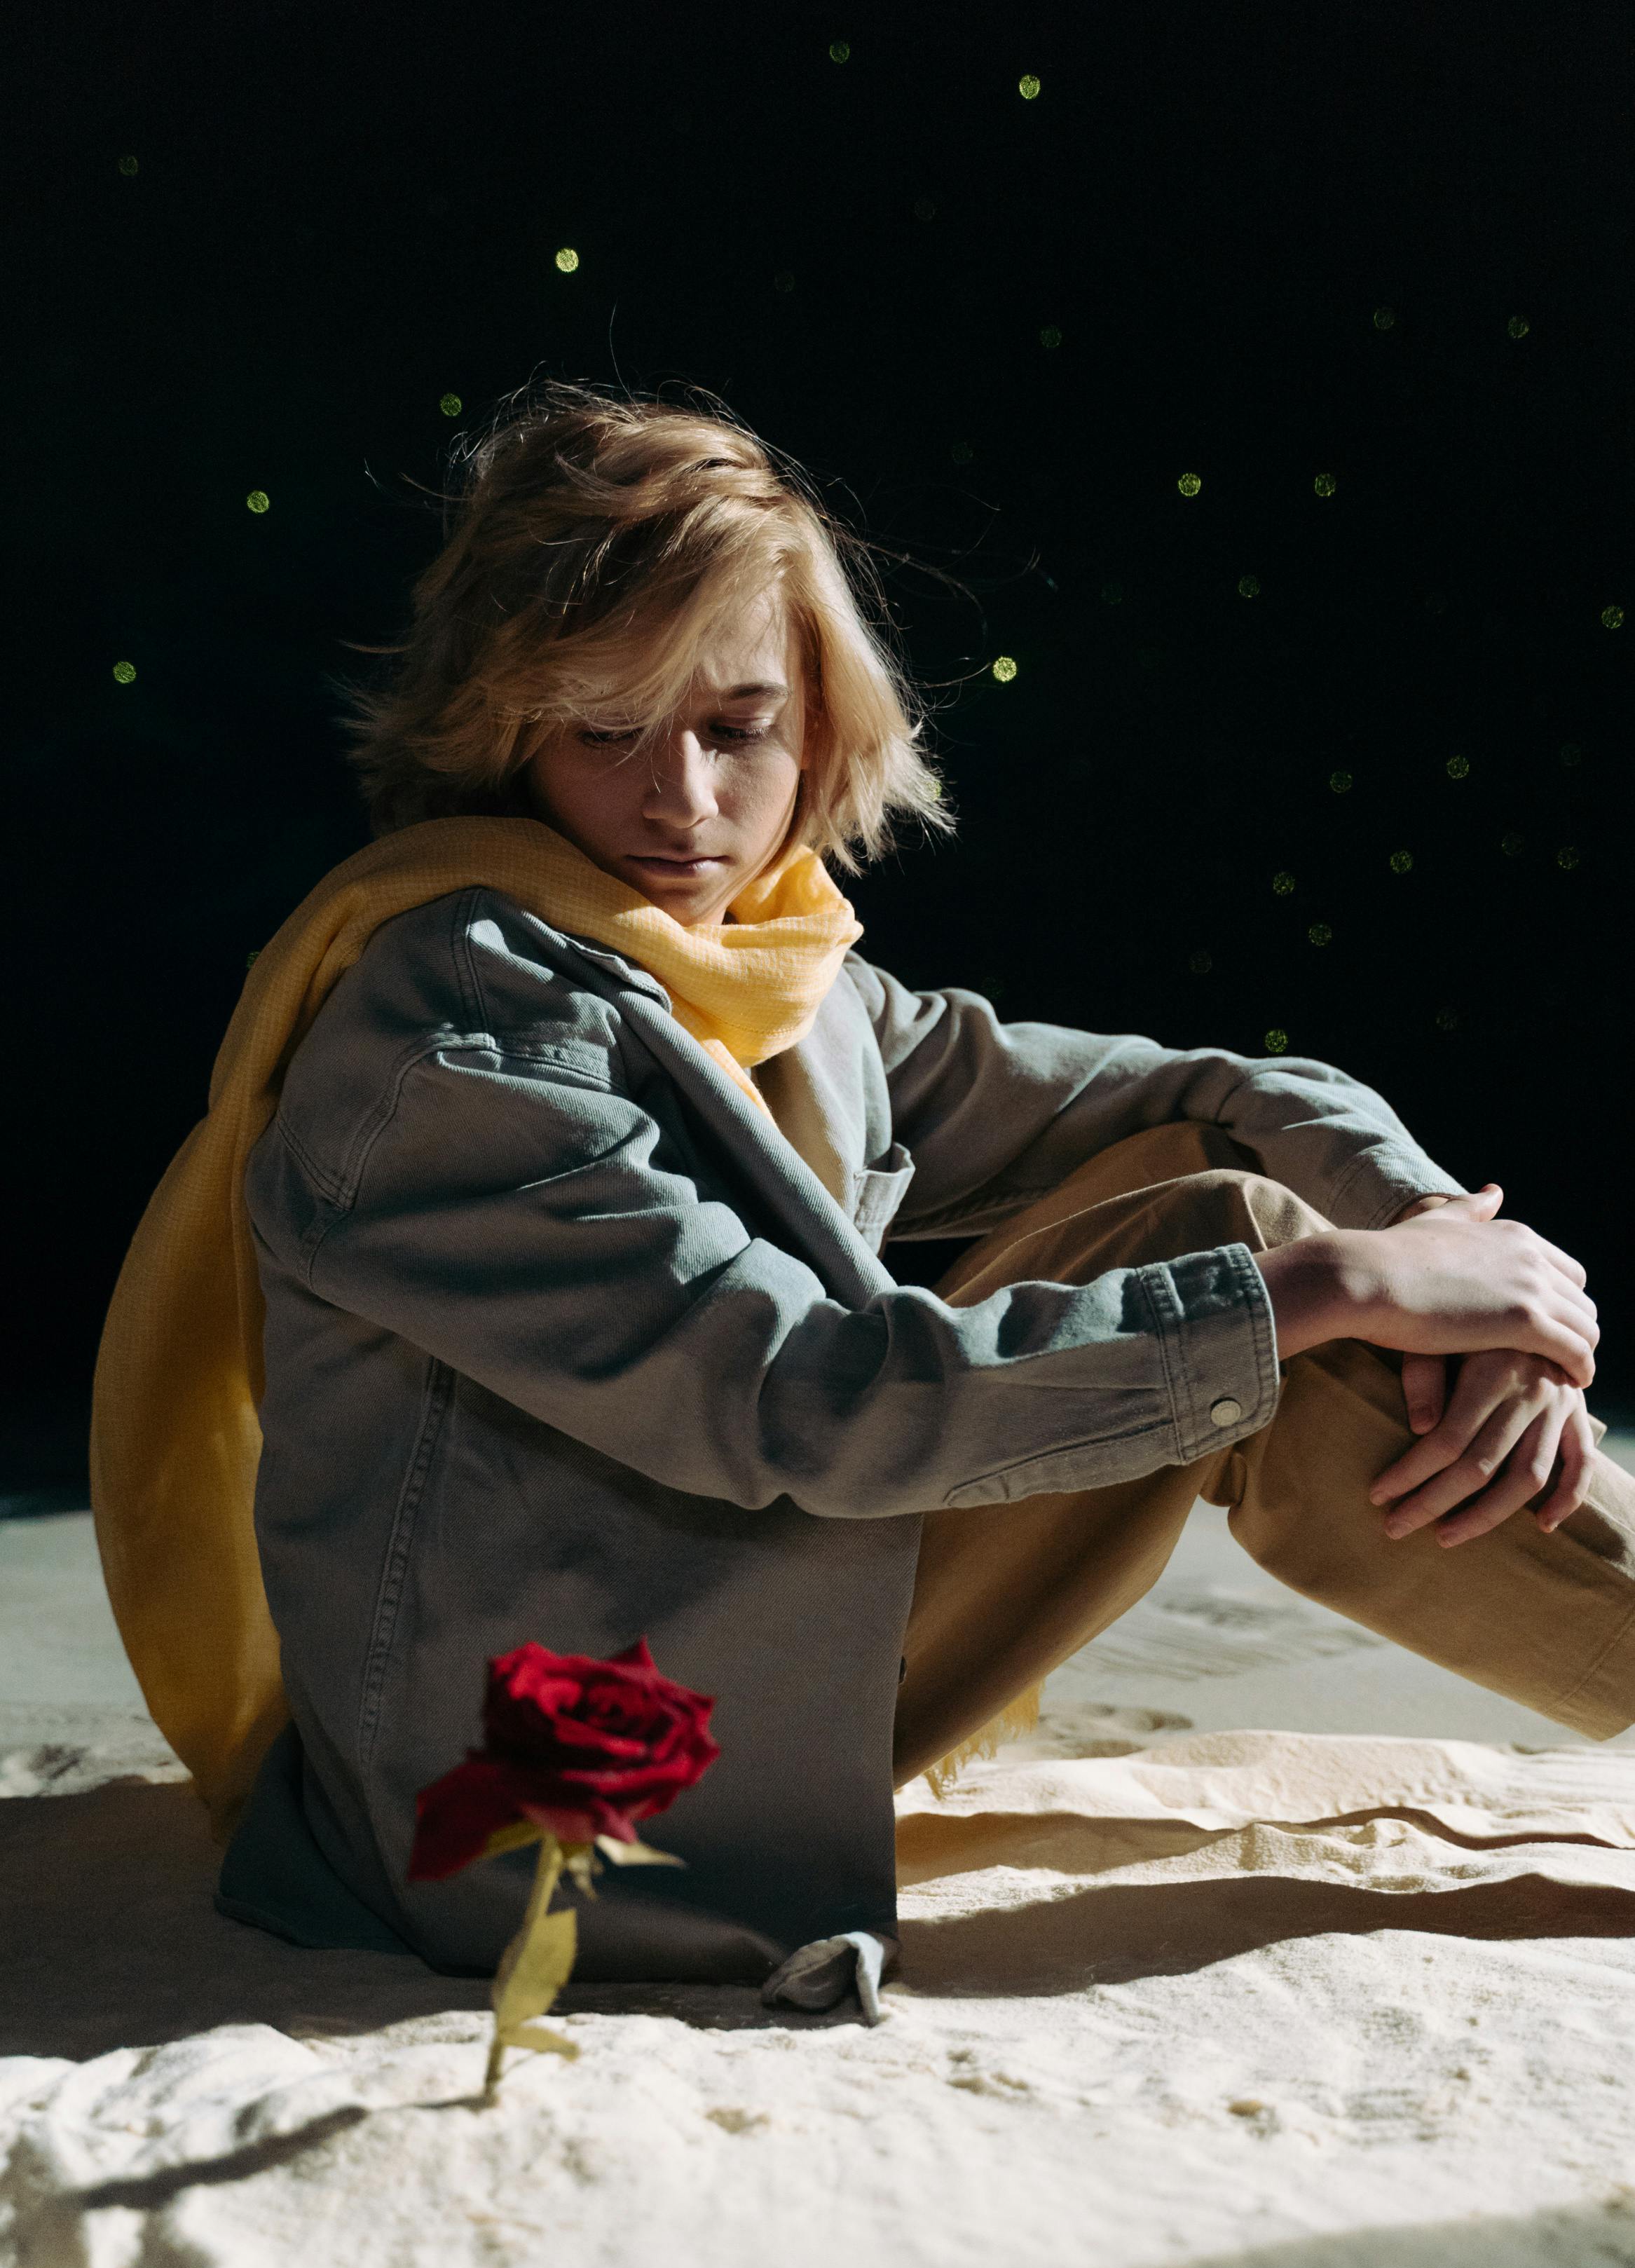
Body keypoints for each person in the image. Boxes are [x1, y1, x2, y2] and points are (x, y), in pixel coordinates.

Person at [92, 383, 1635, 1992]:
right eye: (607, 728)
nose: (683, 801)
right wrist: (1342, 1285)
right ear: (505, 727)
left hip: (732, 1631)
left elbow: (1211, 1091)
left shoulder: (767, 975)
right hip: (546, 1788)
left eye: (734, 726)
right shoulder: (460, 1029)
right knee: (1249, 1263)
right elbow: (800, 1399)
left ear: (818, 722)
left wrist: (1445, 1242)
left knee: (1231, 1199)